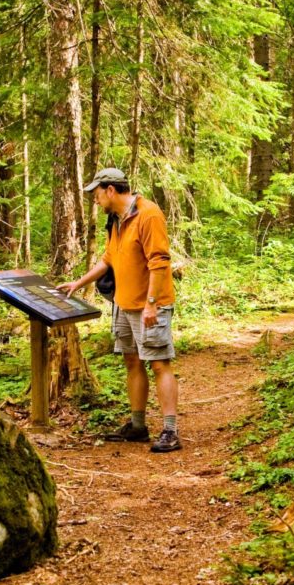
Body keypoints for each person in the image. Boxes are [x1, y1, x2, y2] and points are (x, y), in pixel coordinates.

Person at [57, 167, 181, 453]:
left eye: (97, 194)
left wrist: (151, 304)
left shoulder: (148, 215)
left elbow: (160, 262)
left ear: (110, 190)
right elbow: (109, 259)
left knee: (160, 363)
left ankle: (170, 430)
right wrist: (79, 283)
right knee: (132, 361)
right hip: (123, 304)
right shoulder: (117, 220)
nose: (95, 200)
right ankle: (138, 426)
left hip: (150, 304)